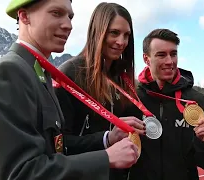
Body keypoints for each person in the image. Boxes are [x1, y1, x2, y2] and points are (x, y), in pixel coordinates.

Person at [0, 0, 139, 179]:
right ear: (24, 16)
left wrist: (107, 139)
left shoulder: (39, 73)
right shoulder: (9, 72)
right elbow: (19, 172)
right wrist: (105, 157)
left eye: (70, 17)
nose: (68, 25)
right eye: (56, 13)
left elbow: (57, 148)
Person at [54, 2, 146, 180]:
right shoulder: (70, 74)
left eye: (126, 35)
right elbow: (58, 144)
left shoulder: (123, 78)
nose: (121, 42)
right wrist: (106, 138)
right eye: (114, 33)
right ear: (98, 32)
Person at [126, 28, 204, 180]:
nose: (169, 61)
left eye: (173, 54)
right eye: (161, 55)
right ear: (146, 59)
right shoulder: (130, 100)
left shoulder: (199, 102)